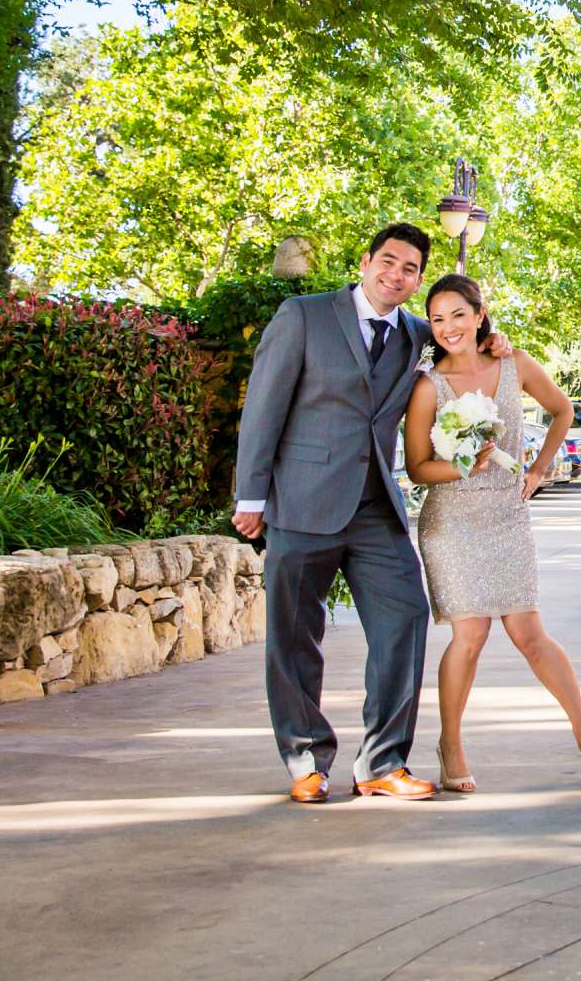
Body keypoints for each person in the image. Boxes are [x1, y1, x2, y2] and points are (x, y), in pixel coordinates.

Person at [233, 224, 444, 803]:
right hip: (301, 500)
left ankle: (381, 761)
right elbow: (263, 407)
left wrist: (496, 343)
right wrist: (250, 496)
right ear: (365, 261)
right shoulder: (303, 315)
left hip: (376, 505)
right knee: (294, 634)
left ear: (419, 279)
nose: (396, 275)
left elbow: (468, 339)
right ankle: (305, 760)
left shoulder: (420, 336)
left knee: (406, 618)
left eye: (410, 269)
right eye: (389, 262)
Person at [402, 274, 581, 792]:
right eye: (437, 319)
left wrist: (539, 469)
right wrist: (461, 468)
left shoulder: (514, 365)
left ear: (479, 314)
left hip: (507, 515)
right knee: (469, 636)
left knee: (528, 634)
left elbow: (562, 410)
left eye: (457, 314)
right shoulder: (428, 386)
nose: (448, 327)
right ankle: (450, 744)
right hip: (451, 521)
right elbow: (416, 468)